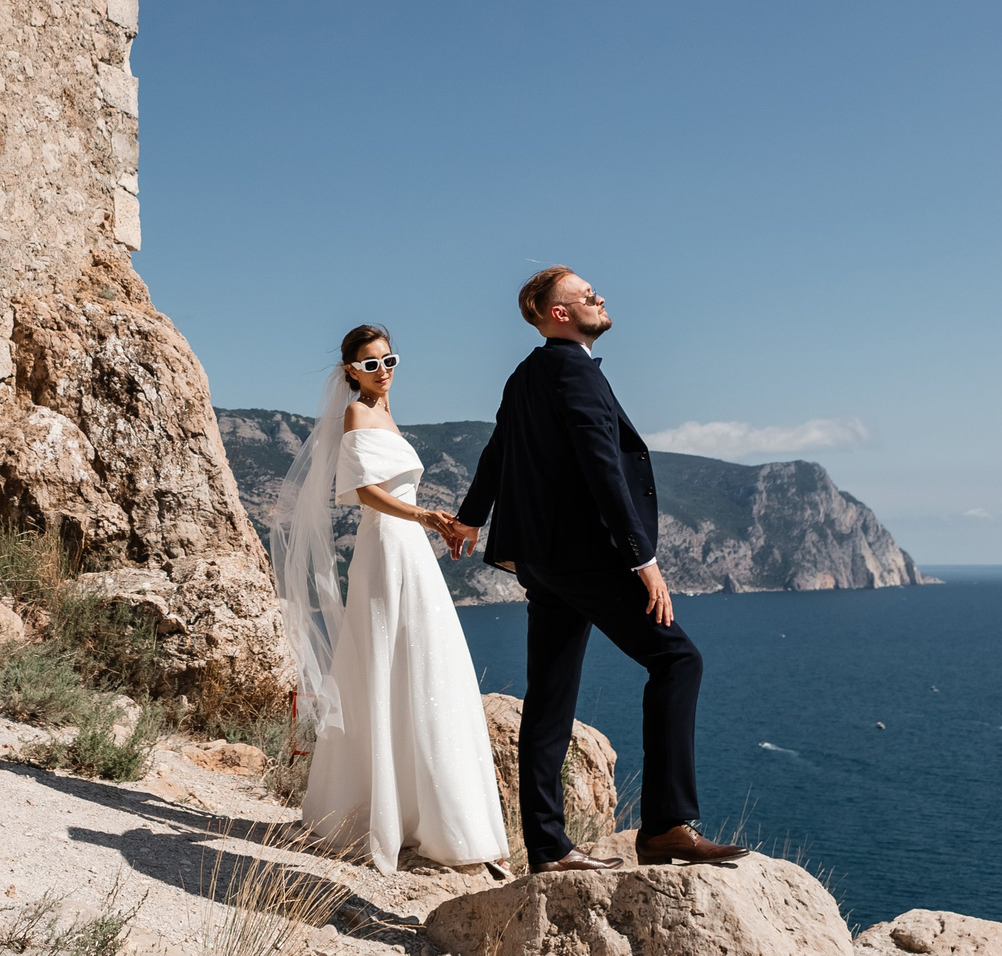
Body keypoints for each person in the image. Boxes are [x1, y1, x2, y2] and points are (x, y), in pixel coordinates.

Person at [452, 267, 749, 874]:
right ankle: (666, 826)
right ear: (557, 312)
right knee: (677, 659)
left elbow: (498, 449)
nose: (600, 298)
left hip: (541, 559)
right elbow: (600, 463)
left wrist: (470, 519)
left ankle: (548, 847)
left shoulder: (526, 373)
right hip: (588, 556)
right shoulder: (575, 369)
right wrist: (643, 559)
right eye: (587, 295)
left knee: (550, 695)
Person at [269, 324, 509, 873]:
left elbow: (398, 488)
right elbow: (363, 493)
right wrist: (424, 516)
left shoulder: (389, 415)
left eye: (389, 359)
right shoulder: (358, 414)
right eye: (371, 363)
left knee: (424, 659)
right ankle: (380, 811)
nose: (383, 370)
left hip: (410, 547)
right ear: (351, 371)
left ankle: (421, 811)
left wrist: (438, 524)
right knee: (387, 658)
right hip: (386, 545)